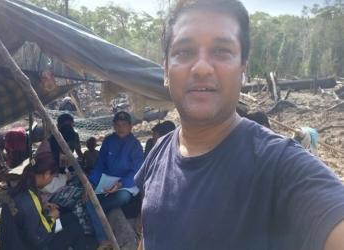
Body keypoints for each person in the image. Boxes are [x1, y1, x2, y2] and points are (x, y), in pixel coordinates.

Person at [134, 1, 344, 250]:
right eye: (185, 51)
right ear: (166, 69)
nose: (201, 67)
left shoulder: (280, 166)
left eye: (221, 51)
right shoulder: (158, 153)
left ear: (242, 67)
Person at [10, 148, 86, 250]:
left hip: (33, 234)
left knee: (71, 218)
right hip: (39, 244)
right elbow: (39, 238)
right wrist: (52, 217)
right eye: (52, 177)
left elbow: (32, 219)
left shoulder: (27, 186)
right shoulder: (29, 200)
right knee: (75, 229)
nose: (51, 181)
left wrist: (42, 207)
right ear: (46, 174)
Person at [87, 111, 144, 245]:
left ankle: (97, 211)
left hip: (125, 184)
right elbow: (99, 164)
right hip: (106, 181)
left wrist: (120, 184)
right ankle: (103, 239)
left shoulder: (135, 145)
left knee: (122, 197)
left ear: (130, 127)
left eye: (124, 124)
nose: (120, 128)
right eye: (117, 125)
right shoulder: (108, 141)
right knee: (88, 198)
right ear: (114, 126)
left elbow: (137, 171)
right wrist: (90, 183)